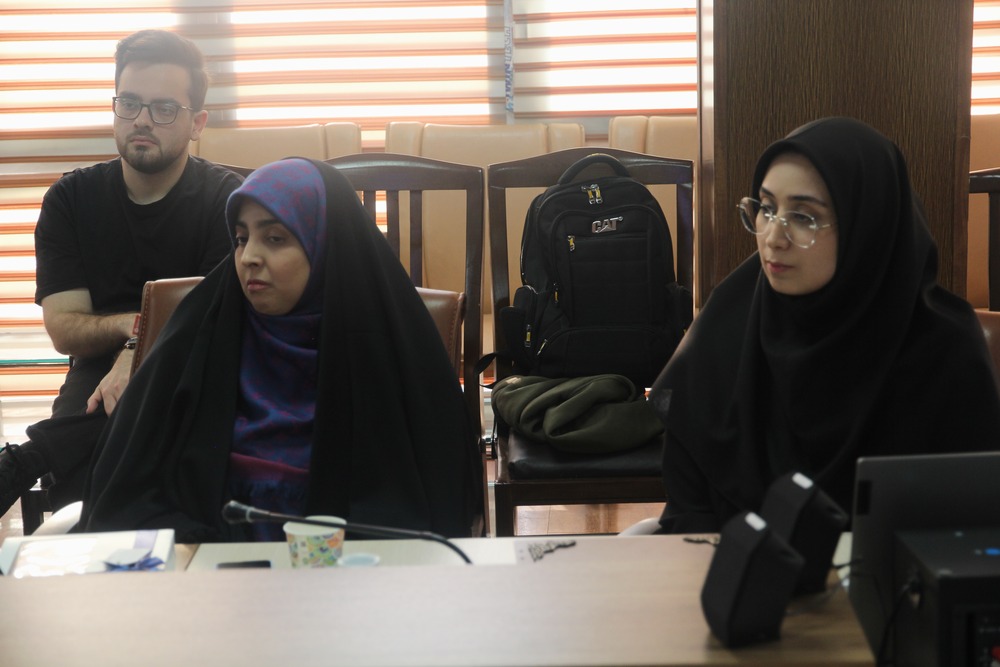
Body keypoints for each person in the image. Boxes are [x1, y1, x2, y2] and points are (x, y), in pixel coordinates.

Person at [79, 158, 484, 542]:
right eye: (241, 239)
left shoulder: (387, 351)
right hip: (209, 572)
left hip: (351, 576)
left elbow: (428, 512)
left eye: (275, 238)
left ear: (325, 245)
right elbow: (125, 494)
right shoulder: (198, 336)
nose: (249, 258)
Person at [649, 116, 1000, 534]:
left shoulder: (943, 353)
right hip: (728, 569)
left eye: (804, 217)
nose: (773, 238)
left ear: (866, 226)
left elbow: (970, 528)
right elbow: (688, 517)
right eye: (766, 208)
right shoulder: (728, 325)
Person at [0, 29, 240, 516]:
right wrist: (134, 331)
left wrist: (135, 353)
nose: (142, 120)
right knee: (87, 479)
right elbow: (65, 329)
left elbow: (211, 320)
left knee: (165, 441)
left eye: (164, 108)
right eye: (129, 103)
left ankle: (31, 458)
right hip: (95, 371)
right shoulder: (70, 200)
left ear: (197, 123)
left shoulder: (227, 199)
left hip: (199, 366)